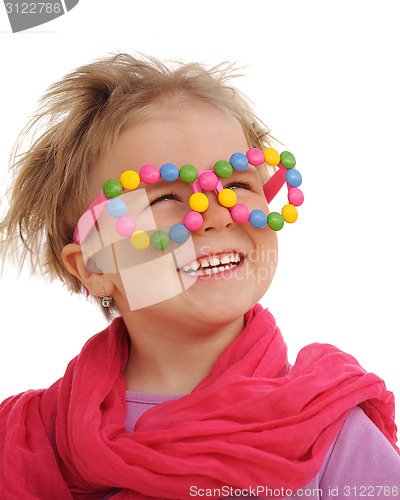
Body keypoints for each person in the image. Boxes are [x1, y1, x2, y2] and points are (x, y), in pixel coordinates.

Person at [0, 53, 399, 500]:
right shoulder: (32, 440)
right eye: (166, 195)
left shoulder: (325, 426)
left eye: (236, 185)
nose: (214, 217)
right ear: (94, 267)